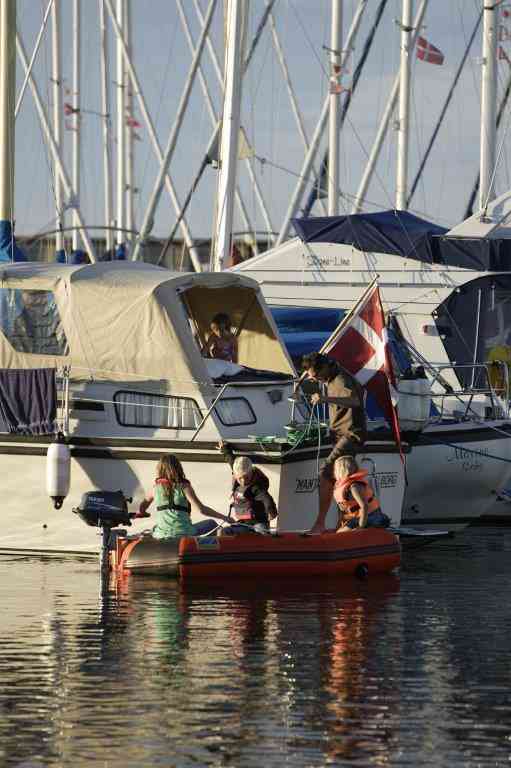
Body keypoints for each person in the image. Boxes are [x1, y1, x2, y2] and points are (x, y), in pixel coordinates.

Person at [300, 351, 367, 534]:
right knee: (340, 479)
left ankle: (320, 523)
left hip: (351, 435)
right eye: (313, 377)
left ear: (325, 367)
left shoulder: (340, 379)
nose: (316, 380)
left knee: (325, 472)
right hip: (340, 435)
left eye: (316, 375)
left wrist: (325, 399)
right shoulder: (329, 376)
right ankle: (344, 521)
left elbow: (355, 400)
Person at [137, 454, 229, 539]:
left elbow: (142, 507)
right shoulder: (184, 487)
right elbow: (202, 510)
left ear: (160, 469)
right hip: (184, 532)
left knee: (155, 528)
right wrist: (224, 517)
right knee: (211, 523)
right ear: (178, 468)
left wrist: (142, 513)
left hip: (161, 534)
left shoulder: (155, 488)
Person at [218, 441, 277, 534]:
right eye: (239, 478)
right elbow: (231, 461)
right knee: (223, 531)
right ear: (235, 475)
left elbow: (267, 499)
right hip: (243, 523)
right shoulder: (237, 474)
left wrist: (272, 512)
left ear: (251, 473)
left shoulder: (256, 487)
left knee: (262, 533)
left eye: (246, 477)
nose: (243, 481)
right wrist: (226, 450)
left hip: (258, 522)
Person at [332, 456, 390, 532]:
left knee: (340, 534)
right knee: (338, 532)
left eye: (335, 469)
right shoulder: (344, 486)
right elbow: (342, 511)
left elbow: (364, 506)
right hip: (359, 518)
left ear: (340, 470)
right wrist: (338, 527)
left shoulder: (354, 486)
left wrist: (361, 527)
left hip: (371, 517)